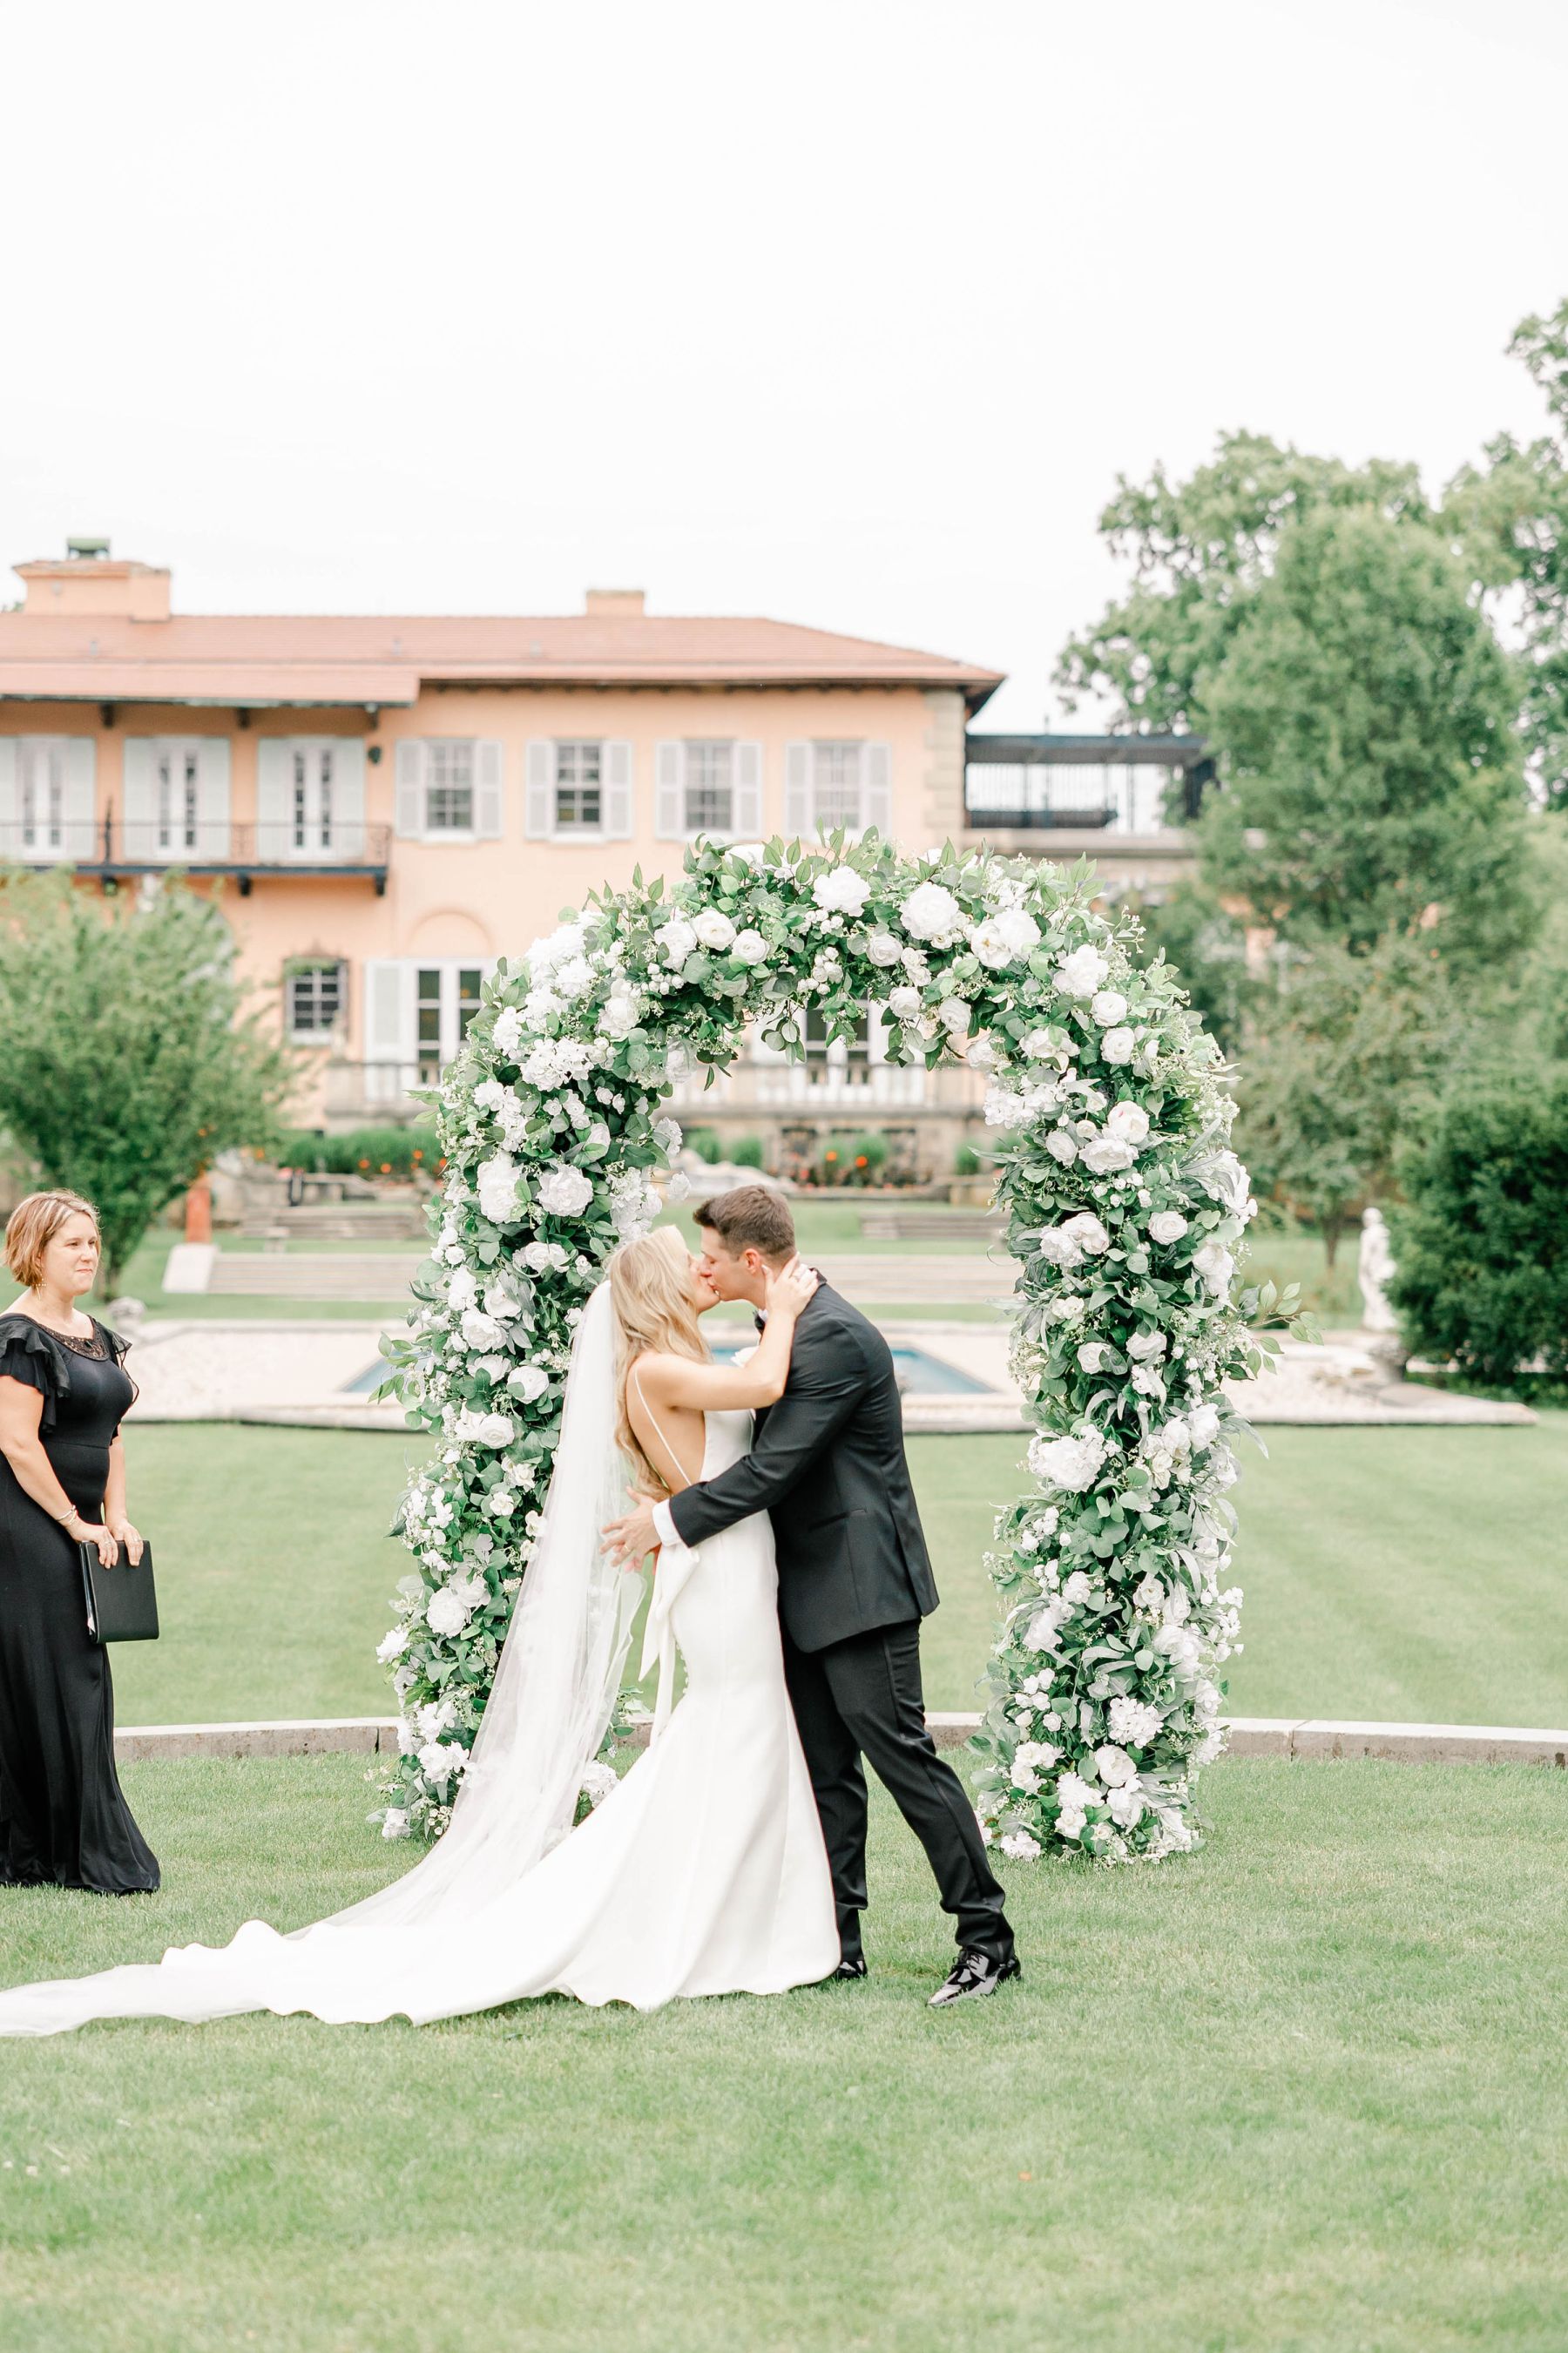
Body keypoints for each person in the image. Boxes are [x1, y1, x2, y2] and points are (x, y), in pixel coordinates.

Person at [0, 1226, 836, 2032]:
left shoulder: (677, 1363)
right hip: (722, 1578)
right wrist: (789, 1309)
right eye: (684, 1261)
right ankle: (712, 1916)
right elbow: (764, 1387)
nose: (700, 1266)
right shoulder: (658, 1368)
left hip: (730, 1566)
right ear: (658, 1287)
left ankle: (738, 1908)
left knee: (738, 1731)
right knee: (733, 1724)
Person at [605, 1186, 1019, 2007]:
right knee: (828, 1771)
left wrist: (668, 1521)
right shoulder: (786, 1329)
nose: (702, 1270)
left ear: (749, 1261)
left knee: (904, 1761)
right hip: (791, 1591)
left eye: (712, 1258)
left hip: (861, 1590)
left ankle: (987, 1939)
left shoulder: (830, 1337)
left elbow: (768, 1472)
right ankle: (838, 1942)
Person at [0, 1190, 159, 1896]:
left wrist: (117, 1517)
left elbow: (111, 1434)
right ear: (35, 1251)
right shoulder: (17, 1335)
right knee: (62, 1674)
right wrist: (74, 1522)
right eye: (73, 1244)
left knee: (80, 1675)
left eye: (93, 1242)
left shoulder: (96, 1333)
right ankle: (54, 1852)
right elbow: (15, 1442)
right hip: (29, 1525)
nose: (88, 1254)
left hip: (86, 1521)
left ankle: (67, 1844)